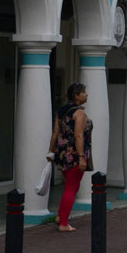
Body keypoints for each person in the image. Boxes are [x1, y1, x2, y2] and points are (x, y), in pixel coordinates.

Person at [48, 82, 93, 232]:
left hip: (61, 153)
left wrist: (51, 151)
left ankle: (61, 215)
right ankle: (64, 223)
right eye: (84, 92)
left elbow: (55, 132)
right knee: (71, 186)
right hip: (74, 154)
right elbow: (78, 135)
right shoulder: (79, 113)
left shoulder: (61, 110)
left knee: (72, 185)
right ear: (76, 96)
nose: (86, 94)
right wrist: (81, 157)